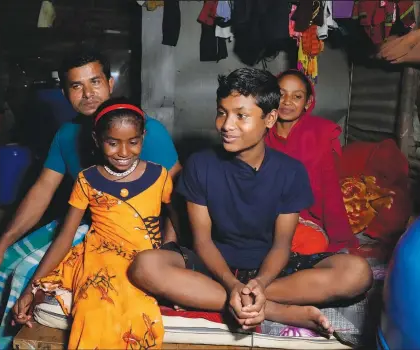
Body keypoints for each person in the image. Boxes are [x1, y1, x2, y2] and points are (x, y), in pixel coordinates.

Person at [128, 68, 373, 333]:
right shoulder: (200, 165)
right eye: (222, 112)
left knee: (357, 273)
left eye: (241, 116)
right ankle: (274, 309)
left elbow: (281, 244)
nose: (227, 125)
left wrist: (261, 283)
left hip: (269, 268)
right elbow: (203, 241)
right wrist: (231, 285)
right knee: (145, 266)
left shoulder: (290, 172)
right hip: (213, 266)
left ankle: (242, 298)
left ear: (269, 118)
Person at [0, 49, 181, 349]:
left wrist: (169, 253)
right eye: (76, 86)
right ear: (64, 93)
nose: (88, 93)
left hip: (128, 233)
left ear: (110, 83)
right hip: (79, 220)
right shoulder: (66, 134)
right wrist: (0, 246)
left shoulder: (142, 131)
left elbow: (180, 201)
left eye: (95, 82)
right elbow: (41, 192)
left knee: (26, 274)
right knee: (1, 268)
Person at [12, 99, 172, 349]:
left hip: (144, 257)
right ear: (97, 140)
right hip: (99, 256)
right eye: (112, 142)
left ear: (143, 137)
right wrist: (31, 288)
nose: (123, 152)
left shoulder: (160, 176)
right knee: (95, 307)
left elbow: (175, 220)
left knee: (138, 310)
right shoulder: (87, 180)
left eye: (133, 142)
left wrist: (169, 254)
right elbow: (65, 236)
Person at [265, 69, 358, 254]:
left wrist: (340, 240)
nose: (287, 101)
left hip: (303, 219)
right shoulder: (259, 133)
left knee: (313, 244)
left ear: (308, 103)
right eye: (281, 94)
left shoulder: (321, 134)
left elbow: (330, 191)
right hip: (265, 217)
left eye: (297, 96)